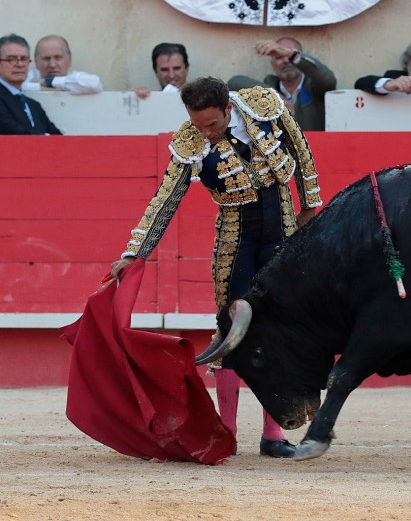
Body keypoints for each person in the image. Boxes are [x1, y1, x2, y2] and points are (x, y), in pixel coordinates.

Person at [110, 76, 323, 457]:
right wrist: (134, 252)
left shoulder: (263, 105)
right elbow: (166, 198)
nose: (204, 134)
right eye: (197, 124)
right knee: (230, 331)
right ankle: (227, 433)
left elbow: (300, 148)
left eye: (211, 124)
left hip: (283, 225)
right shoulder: (189, 141)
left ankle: (273, 435)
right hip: (235, 235)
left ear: (228, 109)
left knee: (277, 328)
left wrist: (310, 204)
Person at [228, 37, 336, 132]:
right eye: (279, 57)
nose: (285, 60)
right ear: (272, 64)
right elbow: (234, 82)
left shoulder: (315, 87)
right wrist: (274, 97)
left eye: (288, 55)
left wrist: (291, 54)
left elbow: (329, 80)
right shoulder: (269, 86)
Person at [0, 33, 62, 135]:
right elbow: (10, 130)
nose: (20, 64)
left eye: (24, 59)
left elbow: (58, 137)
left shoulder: (33, 105)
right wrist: (44, 138)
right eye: (11, 59)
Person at [22, 35, 103, 95]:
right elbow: (17, 87)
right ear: (36, 62)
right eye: (46, 58)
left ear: (69, 60)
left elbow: (94, 84)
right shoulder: (27, 77)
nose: (52, 65)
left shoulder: (76, 77)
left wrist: (47, 82)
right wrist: (43, 88)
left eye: (58, 58)